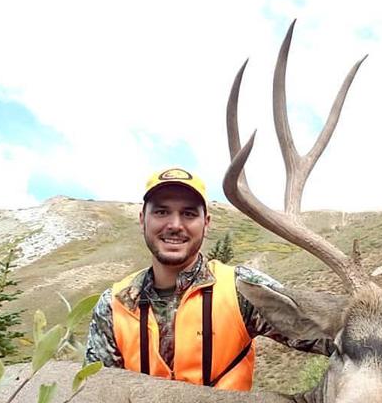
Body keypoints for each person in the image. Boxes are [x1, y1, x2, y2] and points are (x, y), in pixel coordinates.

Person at [84, 166, 330, 391]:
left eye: (189, 214)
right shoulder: (113, 306)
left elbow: (324, 336)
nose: (175, 224)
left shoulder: (241, 290)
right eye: (161, 211)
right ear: (142, 220)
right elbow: (97, 398)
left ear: (206, 224)